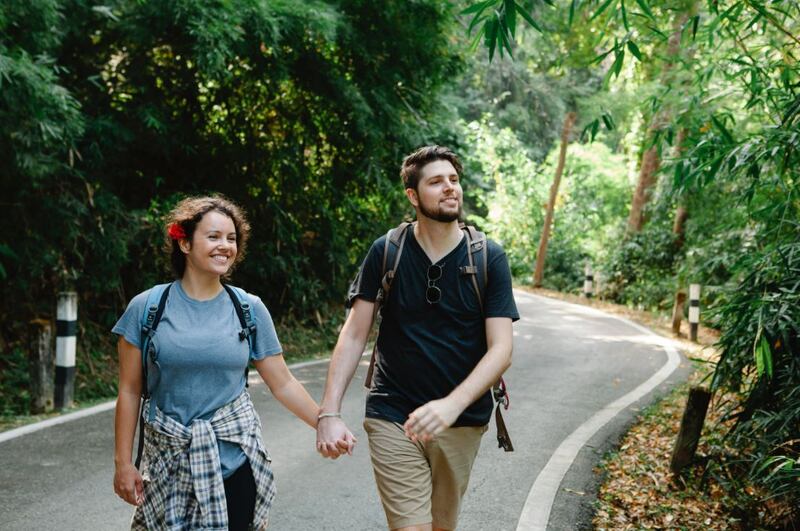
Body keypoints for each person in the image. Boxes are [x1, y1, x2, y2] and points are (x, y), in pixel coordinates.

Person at [112, 195, 346, 530]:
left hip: (236, 465)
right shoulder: (147, 308)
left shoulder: (248, 309)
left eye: (232, 238)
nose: (225, 246)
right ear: (185, 243)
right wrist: (123, 463)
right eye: (214, 237)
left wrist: (324, 421)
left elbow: (282, 382)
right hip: (168, 464)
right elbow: (130, 390)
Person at [316, 146, 519, 531]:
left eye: (454, 180)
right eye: (436, 181)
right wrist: (329, 412)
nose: (450, 189)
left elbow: (502, 349)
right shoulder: (387, 251)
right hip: (392, 411)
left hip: (461, 420)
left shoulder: (488, 257)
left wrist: (451, 405)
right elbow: (355, 332)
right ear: (413, 195)